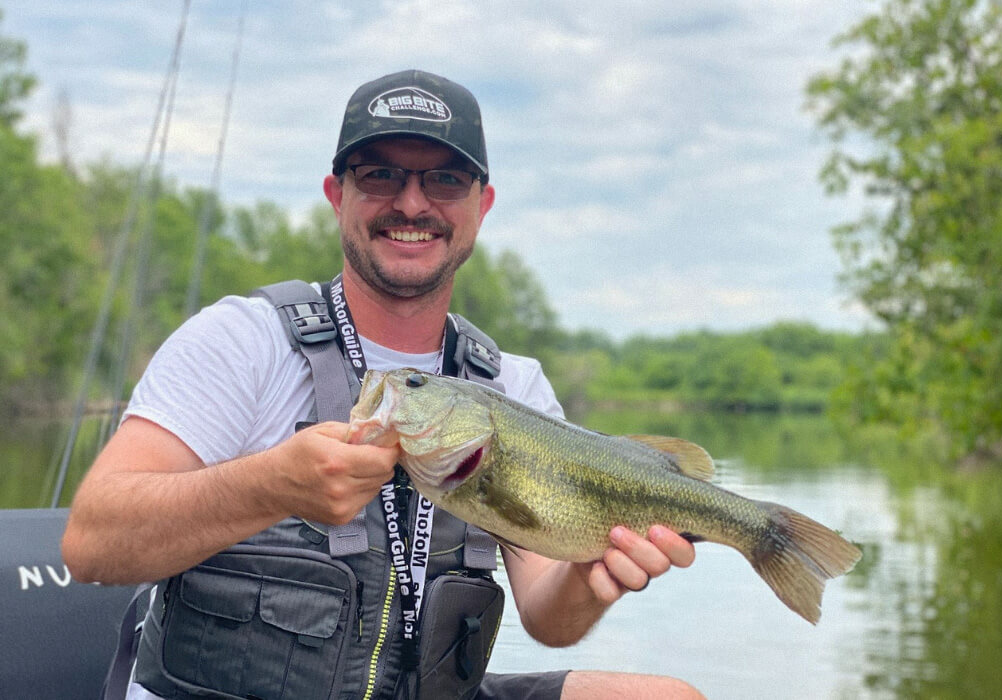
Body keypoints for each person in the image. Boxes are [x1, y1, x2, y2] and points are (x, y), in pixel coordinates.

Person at [62, 69, 706, 700]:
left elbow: (547, 616)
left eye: (445, 179)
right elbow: (91, 545)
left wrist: (592, 576)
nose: (412, 202)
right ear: (336, 194)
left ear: (481, 205)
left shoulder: (513, 386)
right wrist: (267, 485)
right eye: (380, 175)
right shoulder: (241, 340)